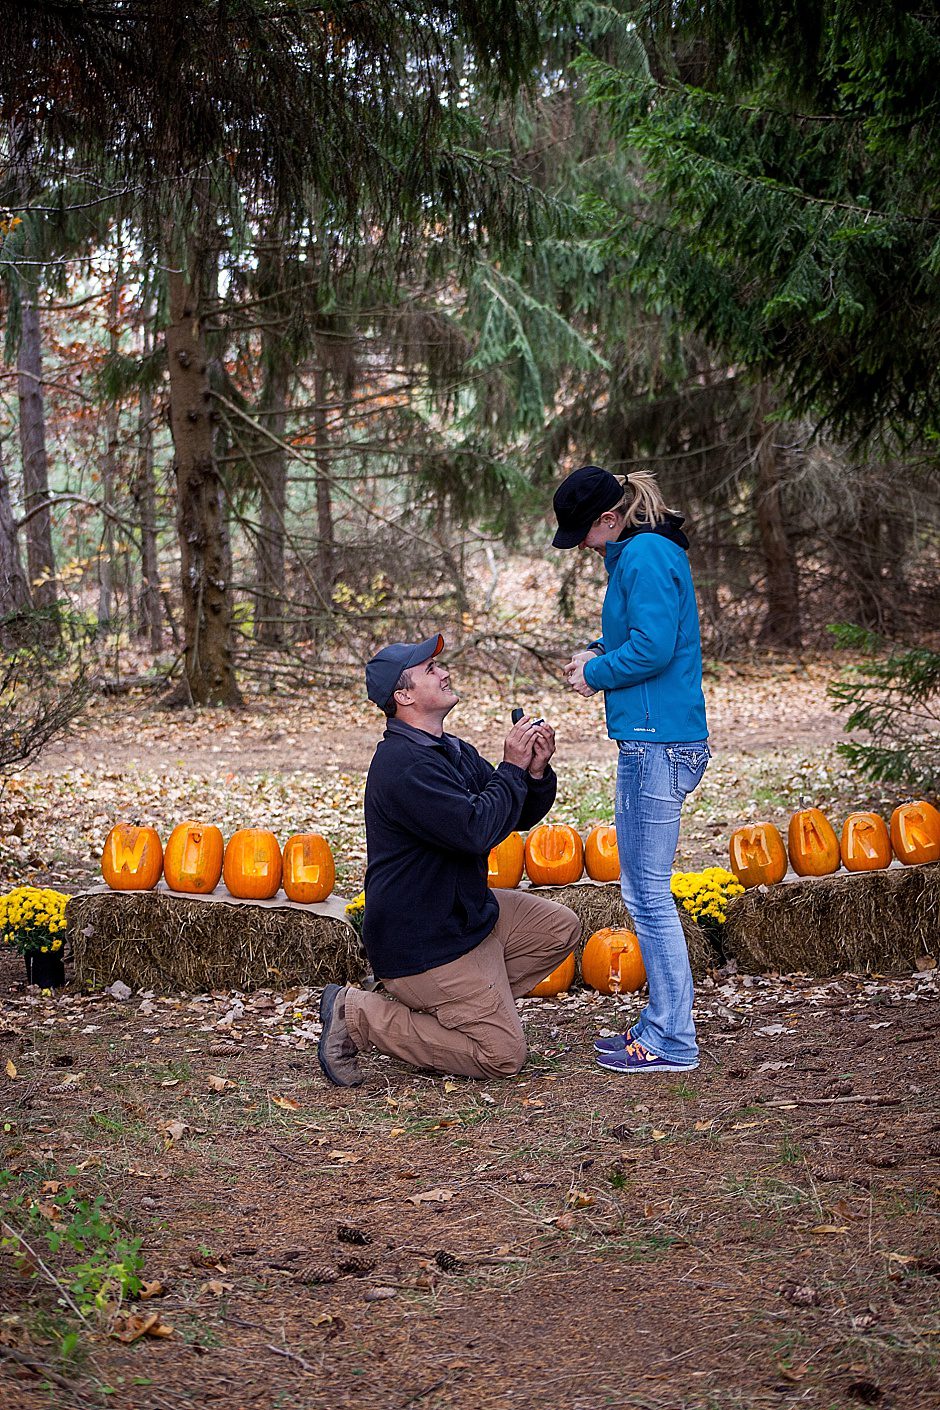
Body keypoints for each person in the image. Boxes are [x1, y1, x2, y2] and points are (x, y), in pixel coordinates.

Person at [318, 632, 581, 1087]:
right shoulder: (403, 765)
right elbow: (474, 832)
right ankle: (357, 1013)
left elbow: (509, 813)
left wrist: (533, 771)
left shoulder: (448, 750)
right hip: (423, 940)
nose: (444, 672)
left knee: (560, 929)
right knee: (502, 1056)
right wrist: (512, 768)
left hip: (464, 916)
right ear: (403, 696)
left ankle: (458, 1010)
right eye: (430, 670)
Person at [552, 464, 710, 1073]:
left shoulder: (642, 554)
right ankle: (662, 1026)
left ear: (610, 519)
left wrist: (594, 676)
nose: (584, 549)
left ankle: (673, 1040)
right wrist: (594, 651)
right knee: (642, 890)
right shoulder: (642, 553)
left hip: (660, 743)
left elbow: (653, 648)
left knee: (647, 894)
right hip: (651, 739)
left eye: (585, 535)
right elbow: (638, 634)